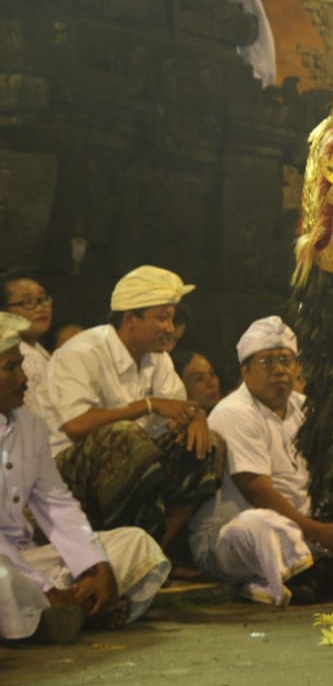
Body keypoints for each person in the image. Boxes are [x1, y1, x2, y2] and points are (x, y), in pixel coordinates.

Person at [0, 313, 169, 644]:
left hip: (26, 555)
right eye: (11, 369)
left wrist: (95, 564)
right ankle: (54, 608)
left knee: (134, 543)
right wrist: (44, 587)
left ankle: (66, 607)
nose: (24, 379)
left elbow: (57, 504)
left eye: (21, 366)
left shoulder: (30, 426)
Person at [187, 317, 333, 605]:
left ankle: (288, 579)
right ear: (245, 371)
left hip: (302, 528)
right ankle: (303, 576)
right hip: (229, 539)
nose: (278, 370)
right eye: (266, 362)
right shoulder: (234, 411)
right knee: (264, 524)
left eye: (285, 361)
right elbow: (255, 490)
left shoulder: (305, 409)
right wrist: (317, 532)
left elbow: (330, 475)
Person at [36, 266, 221, 556]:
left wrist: (193, 419)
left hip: (135, 460)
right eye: (161, 318)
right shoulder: (82, 352)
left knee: (208, 444)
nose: (170, 329)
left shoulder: (157, 359)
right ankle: (118, 557)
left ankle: (150, 554)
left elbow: (176, 410)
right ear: (130, 318)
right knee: (125, 436)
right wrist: (147, 405)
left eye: (171, 319)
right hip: (62, 474)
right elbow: (75, 425)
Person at [1, 269, 54, 415]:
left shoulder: (35, 348)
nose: (40, 308)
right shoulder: (18, 356)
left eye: (44, 299)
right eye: (27, 302)